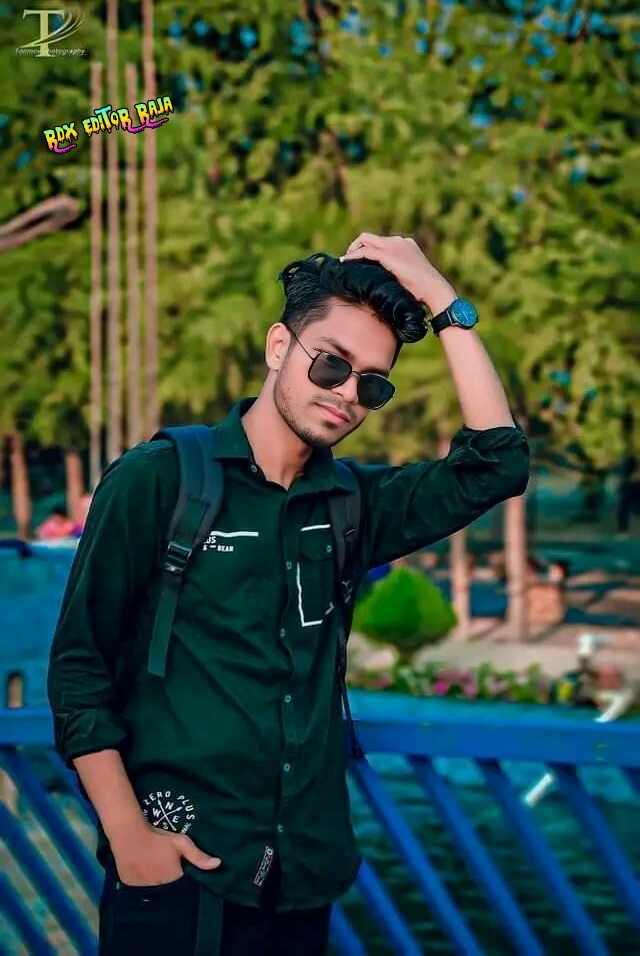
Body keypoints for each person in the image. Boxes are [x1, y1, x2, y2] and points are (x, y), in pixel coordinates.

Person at [46, 234, 530, 956]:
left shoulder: (352, 504)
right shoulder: (160, 480)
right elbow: (79, 668)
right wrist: (129, 838)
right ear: (280, 346)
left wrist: (441, 298)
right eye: (331, 362)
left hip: (303, 876)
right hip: (182, 870)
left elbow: (496, 465)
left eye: (372, 383)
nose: (346, 393)